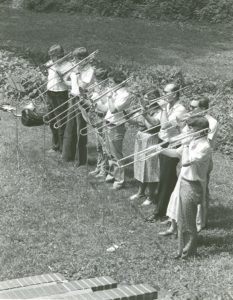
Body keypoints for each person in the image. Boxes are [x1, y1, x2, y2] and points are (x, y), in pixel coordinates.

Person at [159, 116, 211, 258]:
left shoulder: (204, 146)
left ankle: (189, 253)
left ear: (200, 131)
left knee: (188, 222)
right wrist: (159, 150)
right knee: (181, 220)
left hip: (193, 185)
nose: (187, 130)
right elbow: (177, 153)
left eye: (190, 128)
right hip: (184, 182)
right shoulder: (193, 141)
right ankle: (182, 250)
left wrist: (187, 145)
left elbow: (186, 162)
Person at [146, 83, 187, 222]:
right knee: (166, 177)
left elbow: (164, 125)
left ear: (174, 94)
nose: (163, 94)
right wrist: (145, 114)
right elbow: (156, 123)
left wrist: (162, 109)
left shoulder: (180, 110)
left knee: (166, 178)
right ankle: (169, 206)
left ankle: (160, 212)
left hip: (173, 144)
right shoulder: (168, 106)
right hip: (162, 141)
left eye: (165, 92)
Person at [62, 47, 95, 166]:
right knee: (70, 127)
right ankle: (67, 155)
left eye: (77, 59)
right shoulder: (76, 68)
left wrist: (76, 75)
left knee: (80, 129)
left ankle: (80, 159)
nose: (75, 62)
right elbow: (66, 82)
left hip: (82, 100)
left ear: (83, 59)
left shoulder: (89, 70)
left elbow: (83, 86)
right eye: (75, 59)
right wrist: (70, 76)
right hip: (72, 98)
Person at [129, 89, 161, 206]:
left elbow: (152, 124)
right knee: (139, 164)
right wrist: (126, 114)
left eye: (148, 99)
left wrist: (144, 113)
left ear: (155, 100)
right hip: (141, 136)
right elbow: (135, 121)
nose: (145, 101)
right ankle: (140, 192)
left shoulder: (159, 110)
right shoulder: (144, 108)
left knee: (150, 167)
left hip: (151, 138)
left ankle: (151, 196)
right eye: (145, 99)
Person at [104, 71, 131, 190]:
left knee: (117, 154)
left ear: (118, 83)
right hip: (108, 122)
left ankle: (120, 180)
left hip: (116, 126)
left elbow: (114, 109)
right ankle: (112, 174)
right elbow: (106, 107)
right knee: (109, 152)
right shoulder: (115, 92)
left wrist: (110, 97)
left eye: (111, 82)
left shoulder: (125, 95)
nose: (109, 84)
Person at [195, 98, 218, 231]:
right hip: (192, 155)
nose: (190, 110)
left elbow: (206, 142)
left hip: (203, 159)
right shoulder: (194, 119)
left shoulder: (212, 122)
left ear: (203, 108)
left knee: (201, 190)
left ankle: (200, 222)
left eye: (194, 107)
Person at [45, 44, 72, 153]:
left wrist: (62, 75)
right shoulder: (51, 63)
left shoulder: (68, 65)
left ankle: (62, 148)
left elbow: (70, 83)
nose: (51, 58)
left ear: (60, 55)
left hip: (61, 95)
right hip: (50, 93)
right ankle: (55, 146)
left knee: (61, 122)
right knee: (52, 121)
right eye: (50, 56)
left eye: (53, 56)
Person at [88, 68, 110, 178]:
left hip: (105, 118)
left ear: (105, 80)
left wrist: (98, 97)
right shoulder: (97, 88)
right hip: (97, 117)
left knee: (105, 146)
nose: (96, 83)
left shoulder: (109, 90)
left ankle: (104, 170)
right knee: (99, 146)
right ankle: (98, 167)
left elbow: (107, 108)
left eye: (99, 80)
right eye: (96, 80)